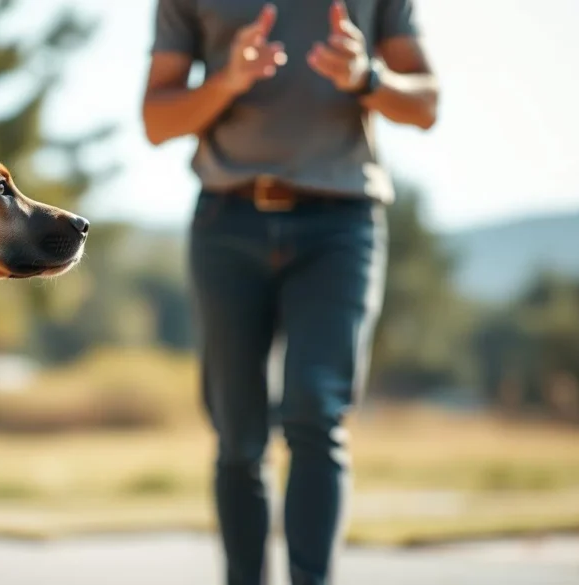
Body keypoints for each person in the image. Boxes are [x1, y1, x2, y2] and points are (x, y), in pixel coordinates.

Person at [141, 1, 438, 584]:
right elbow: (157, 120)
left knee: (315, 411)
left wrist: (367, 78)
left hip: (340, 224)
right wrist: (226, 79)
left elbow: (426, 104)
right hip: (228, 222)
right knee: (238, 433)